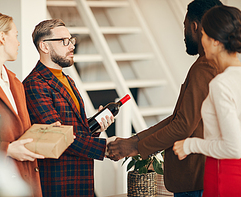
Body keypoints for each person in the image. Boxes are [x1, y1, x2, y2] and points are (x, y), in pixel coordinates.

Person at [107, 0, 223, 196]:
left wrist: (135, 147)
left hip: (198, 180)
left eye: (185, 26)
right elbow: (180, 118)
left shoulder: (204, 67)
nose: (184, 33)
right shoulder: (219, 64)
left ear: (194, 26)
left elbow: (183, 125)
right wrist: (135, 140)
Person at [23, 19, 115, 197]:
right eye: (64, 41)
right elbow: (56, 137)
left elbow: (73, 129)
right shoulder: (34, 84)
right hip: (59, 181)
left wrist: (95, 128)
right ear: (45, 46)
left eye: (71, 39)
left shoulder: (68, 80)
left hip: (80, 178)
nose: (71, 45)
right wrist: (105, 147)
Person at [0, 12, 49, 197]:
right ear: (1, 37)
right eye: (15, 36)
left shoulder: (15, 82)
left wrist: (46, 132)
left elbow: (21, 131)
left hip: (25, 180)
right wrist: (7, 150)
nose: (18, 42)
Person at [173, 5, 241, 196]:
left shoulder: (221, 84)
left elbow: (233, 147)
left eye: (203, 34)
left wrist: (189, 145)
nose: (201, 40)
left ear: (215, 42)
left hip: (224, 175)